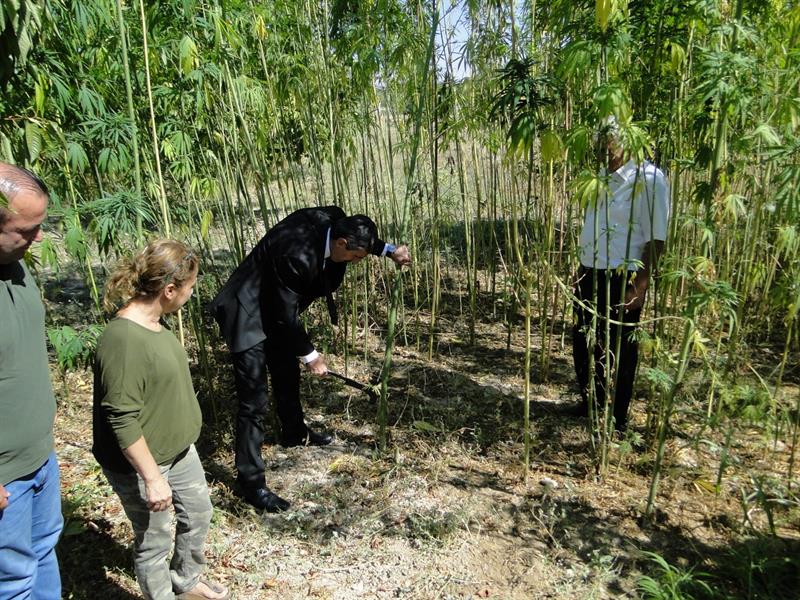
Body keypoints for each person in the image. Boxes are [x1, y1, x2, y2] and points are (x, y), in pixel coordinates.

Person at [210, 206, 411, 511]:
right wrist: (311, 355)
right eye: (356, 257)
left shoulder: (336, 221)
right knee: (253, 401)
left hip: (276, 308)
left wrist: (389, 250)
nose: (357, 261)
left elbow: (360, 239)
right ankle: (251, 484)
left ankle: (294, 433)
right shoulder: (296, 256)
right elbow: (284, 315)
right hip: (247, 311)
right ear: (340, 244)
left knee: (286, 371)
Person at [93, 239, 228, 600]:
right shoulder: (123, 340)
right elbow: (121, 417)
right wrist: (152, 478)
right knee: (154, 539)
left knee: (198, 514)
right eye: (190, 287)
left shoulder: (155, 322)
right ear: (169, 290)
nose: (191, 293)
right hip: (145, 464)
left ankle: (186, 581)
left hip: (179, 451)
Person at [572, 119, 670, 433]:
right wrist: (581, 268)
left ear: (626, 142)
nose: (603, 148)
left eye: (609, 141)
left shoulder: (649, 179)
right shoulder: (598, 178)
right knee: (583, 339)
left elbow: (657, 238)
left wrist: (640, 285)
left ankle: (618, 416)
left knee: (623, 347)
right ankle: (591, 402)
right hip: (590, 271)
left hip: (624, 274)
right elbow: (592, 228)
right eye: (600, 141)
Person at [0, 163, 63, 599]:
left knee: (42, 552)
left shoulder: (14, 264)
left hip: (39, 457)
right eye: (26, 230)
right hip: (6, 475)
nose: (38, 238)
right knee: (13, 580)